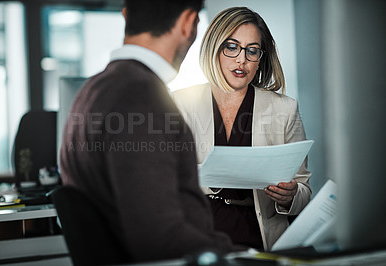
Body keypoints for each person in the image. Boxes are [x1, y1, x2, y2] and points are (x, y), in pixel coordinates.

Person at [59, 0, 240, 263]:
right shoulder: (140, 96)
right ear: (189, 23)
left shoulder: (91, 90)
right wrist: (244, 255)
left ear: (126, 16)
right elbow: (159, 237)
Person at [172, 7, 312, 251]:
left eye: (252, 51)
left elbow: (304, 191)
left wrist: (290, 196)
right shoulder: (178, 103)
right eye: (232, 47)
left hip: (258, 236)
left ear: (261, 57)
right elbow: (163, 182)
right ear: (214, 49)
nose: (242, 60)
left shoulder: (285, 109)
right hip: (197, 234)